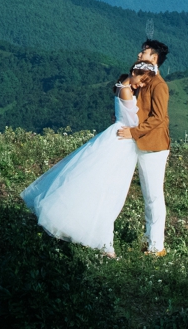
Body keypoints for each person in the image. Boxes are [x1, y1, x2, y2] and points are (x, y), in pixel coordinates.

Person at [20, 66, 140, 256]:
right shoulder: (126, 90)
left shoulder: (121, 86)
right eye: (140, 79)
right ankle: (101, 239)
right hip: (121, 142)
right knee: (109, 190)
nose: (141, 84)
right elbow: (135, 121)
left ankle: (100, 236)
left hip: (116, 138)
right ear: (134, 75)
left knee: (99, 185)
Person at [116, 39, 170, 256]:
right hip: (143, 143)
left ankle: (157, 246)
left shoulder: (159, 85)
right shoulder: (145, 81)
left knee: (153, 195)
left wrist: (133, 132)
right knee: (148, 195)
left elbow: (159, 118)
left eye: (144, 52)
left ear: (154, 58)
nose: (139, 54)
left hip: (154, 146)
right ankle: (150, 241)